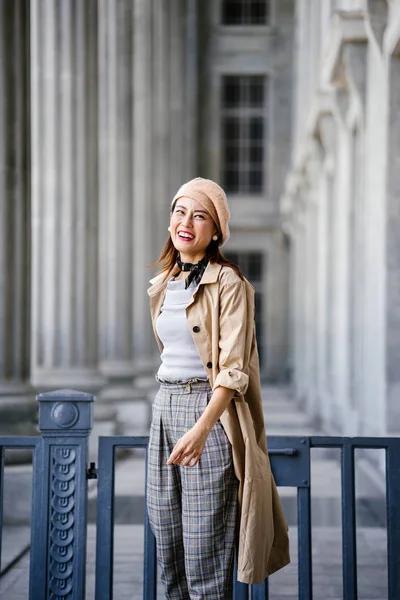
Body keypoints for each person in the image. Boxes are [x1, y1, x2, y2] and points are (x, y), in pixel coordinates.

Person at [146, 177, 290, 600]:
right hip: (163, 409)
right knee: (167, 547)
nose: (185, 222)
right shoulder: (162, 284)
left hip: (206, 415)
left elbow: (232, 369)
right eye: (180, 211)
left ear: (215, 231)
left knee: (204, 558)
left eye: (199, 214)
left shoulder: (229, 283)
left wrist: (203, 427)